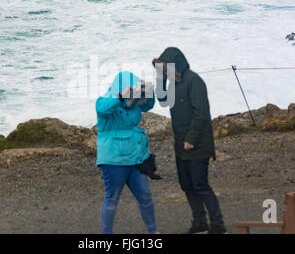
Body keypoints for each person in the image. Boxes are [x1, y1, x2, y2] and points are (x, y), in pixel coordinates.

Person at [153, 47, 226, 234]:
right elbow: (161, 100)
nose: (164, 73)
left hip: (197, 144)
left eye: (165, 69)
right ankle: (200, 222)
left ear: (176, 65)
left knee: (200, 185)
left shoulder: (194, 81)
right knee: (186, 185)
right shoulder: (172, 84)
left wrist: (191, 139)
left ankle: (218, 225)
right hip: (180, 144)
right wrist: (160, 79)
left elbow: (201, 113)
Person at [96, 71, 159, 234]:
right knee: (112, 198)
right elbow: (101, 109)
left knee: (145, 196)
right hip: (113, 160)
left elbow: (148, 105)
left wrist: (149, 93)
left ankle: (153, 232)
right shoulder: (105, 101)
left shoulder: (135, 103)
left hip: (135, 158)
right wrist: (120, 96)